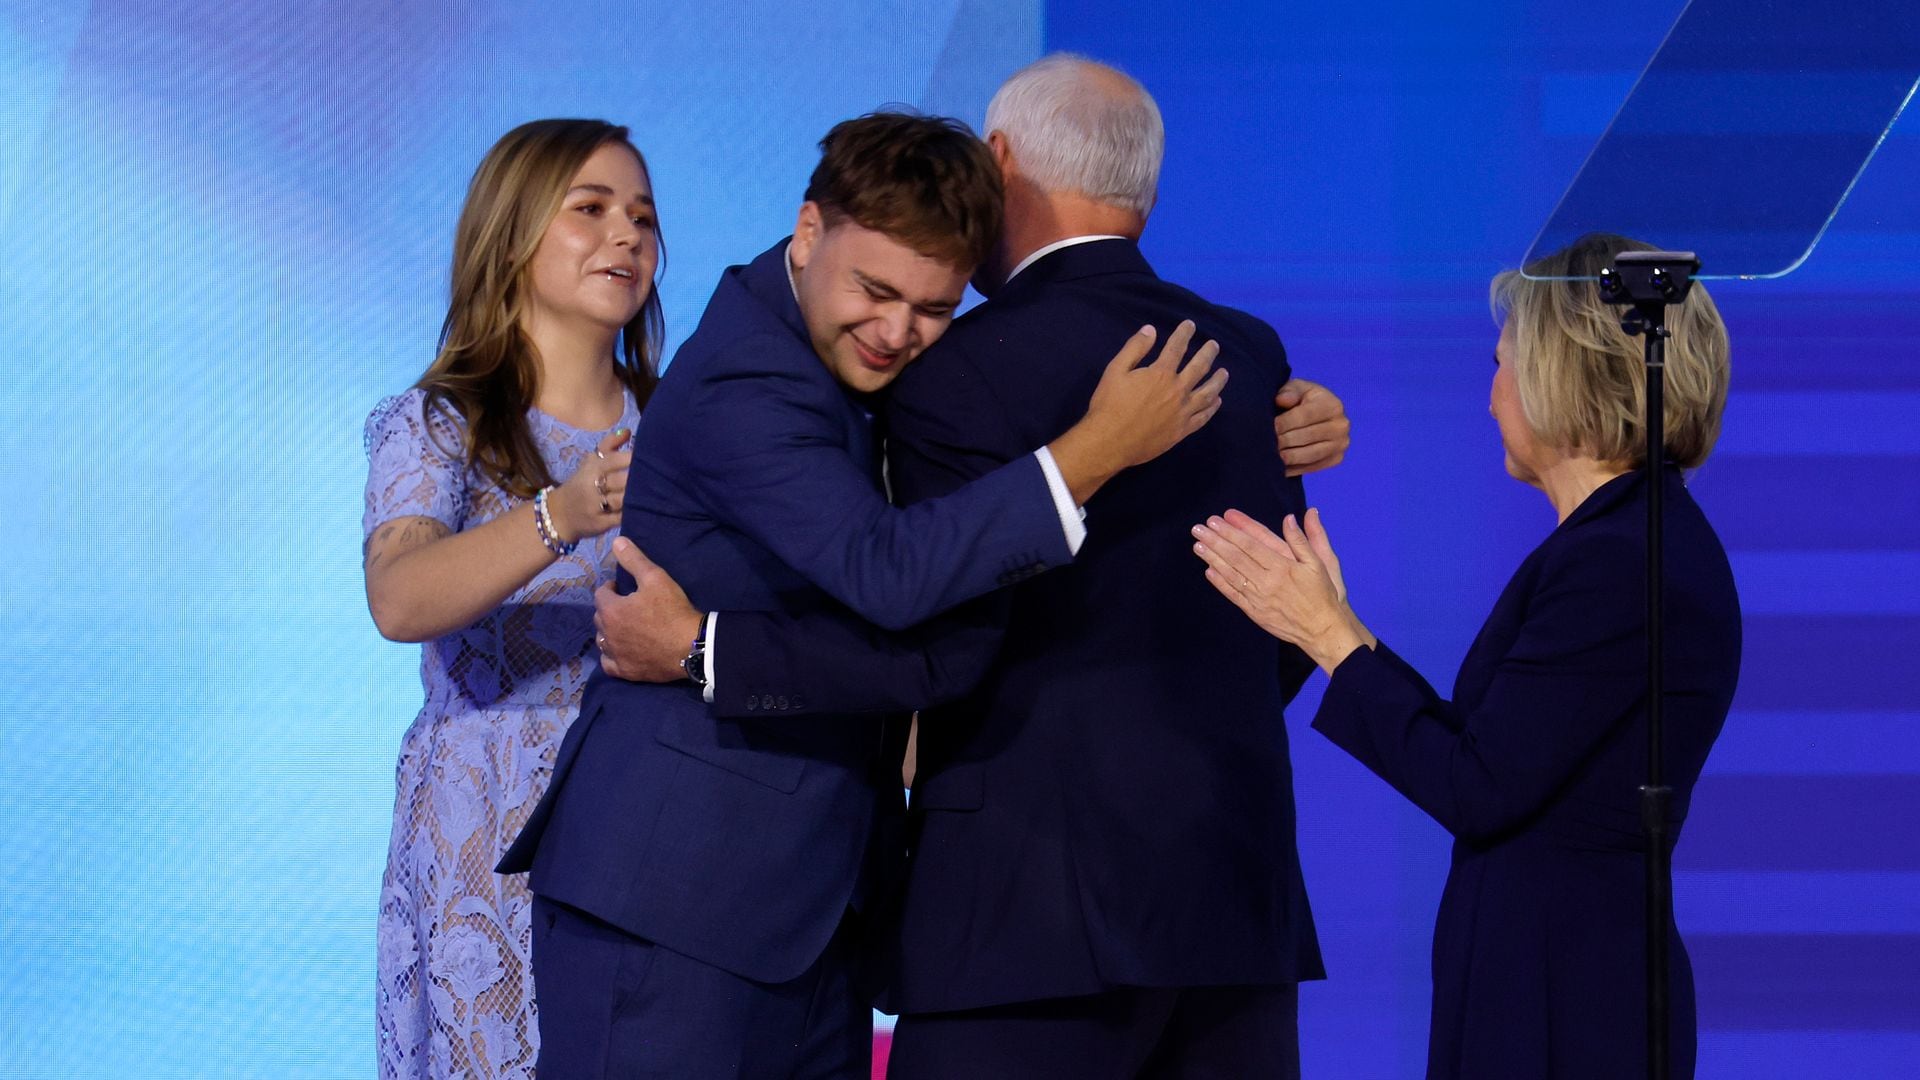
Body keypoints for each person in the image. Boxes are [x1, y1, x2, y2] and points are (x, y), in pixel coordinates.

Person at [597, 55, 1348, 1079]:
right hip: (1234, 902)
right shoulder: (1246, 355)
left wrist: (701, 650)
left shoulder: (961, 373)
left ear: (997, 166)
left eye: (926, 307)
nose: (902, 330)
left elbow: (935, 649)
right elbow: (1282, 644)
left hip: (1023, 918)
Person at [1191, 232, 1741, 1080]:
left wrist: (1328, 639)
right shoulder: (1613, 543)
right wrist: (1343, 627)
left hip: (1564, 994)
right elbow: (1494, 753)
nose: (1490, 399)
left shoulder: (1620, 557)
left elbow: (1478, 789)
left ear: (1561, 371)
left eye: (1500, 363)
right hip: (1543, 969)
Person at [361, 119, 661, 1079]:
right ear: (512, 236)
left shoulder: (684, 427)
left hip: (648, 818)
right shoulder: (439, 424)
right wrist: (557, 517)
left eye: (644, 219)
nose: (627, 236)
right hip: (483, 836)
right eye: (591, 210)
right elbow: (400, 599)